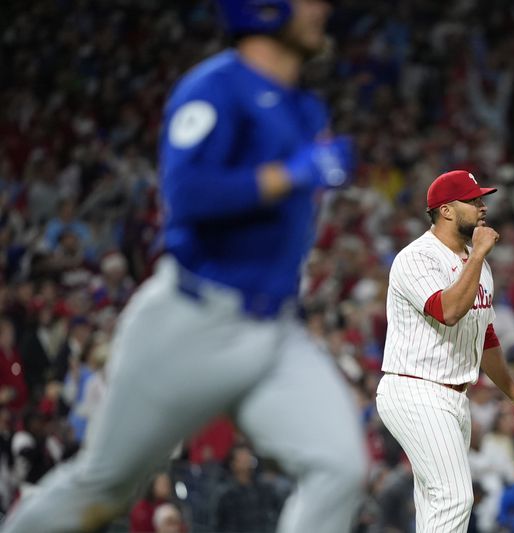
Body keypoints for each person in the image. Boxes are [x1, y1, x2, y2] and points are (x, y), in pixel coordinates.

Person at [0, 1, 367, 532]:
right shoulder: (213, 88)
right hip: (194, 317)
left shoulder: (304, 108)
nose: (321, 8)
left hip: (273, 329)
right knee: (102, 489)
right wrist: (287, 176)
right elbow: (187, 194)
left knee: (341, 468)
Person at [376, 170, 514, 532]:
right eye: (473, 200)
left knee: (436, 503)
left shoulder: (478, 263)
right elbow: (448, 311)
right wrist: (478, 254)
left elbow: (485, 337)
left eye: (481, 199)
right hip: (415, 389)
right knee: (455, 496)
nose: (483, 206)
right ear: (446, 210)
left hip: (453, 398)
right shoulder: (417, 258)